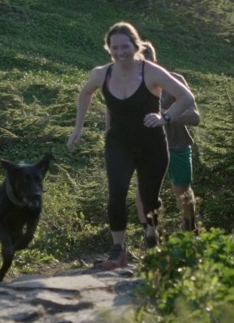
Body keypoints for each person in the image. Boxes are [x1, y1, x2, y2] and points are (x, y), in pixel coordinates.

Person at [67, 22, 197, 270]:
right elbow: (85, 94)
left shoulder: (152, 72)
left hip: (152, 144)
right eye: (114, 47)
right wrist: (78, 128)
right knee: (116, 192)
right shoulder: (101, 74)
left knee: (149, 199)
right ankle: (118, 251)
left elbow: (187, 97)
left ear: (136, 46)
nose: (120, 52)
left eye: (125, 46)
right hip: (119, 143)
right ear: (109, 48)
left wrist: (165, 117)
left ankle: (152, 240)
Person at [137, 43, 200, 235]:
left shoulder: (175, 81)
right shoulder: (128, 86)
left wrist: (167, 116)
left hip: (177, 144)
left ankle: (190, 229)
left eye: (146, 64)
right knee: (143, 190)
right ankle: (149, 236)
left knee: (182, 190)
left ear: (155, 63)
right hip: (146, 147)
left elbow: (195, 117)